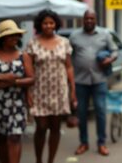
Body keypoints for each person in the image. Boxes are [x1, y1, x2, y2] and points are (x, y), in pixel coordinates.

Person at [26, 10, 77, 163]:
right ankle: (39, 160)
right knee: (41, 128)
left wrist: (73, 89)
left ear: (56, 24)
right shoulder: (32, 43)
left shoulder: (64, 42)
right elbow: (29, 70)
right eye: (45, 23)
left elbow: (69, 67)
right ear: (40, 25)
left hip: (59, 90)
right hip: (40, 91)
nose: (48, 25)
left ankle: (50, 160)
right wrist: (28, 92)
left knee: (55, 128)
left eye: (51, 23)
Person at [69, 10, 118, 156]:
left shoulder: (105, 34)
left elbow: (114, 50)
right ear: (83, 20)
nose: (89, 20)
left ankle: (101, 143)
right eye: (86, 18)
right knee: (82, 113)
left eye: (92, 18)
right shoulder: (74, 36)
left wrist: (110, 59)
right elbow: (68, 56)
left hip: (99, 80)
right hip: (80, 81)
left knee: (101, 111)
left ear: (96, 19)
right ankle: (83, 143)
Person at [0, 20, 34, 163]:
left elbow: (31, 79)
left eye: (16, 35)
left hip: (16, 102)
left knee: (15, 137)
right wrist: (4, 76)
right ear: (2, 38)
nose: (14, 38)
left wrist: (14, 81)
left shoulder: (23, 55)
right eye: (10, 35)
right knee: (1, 137)